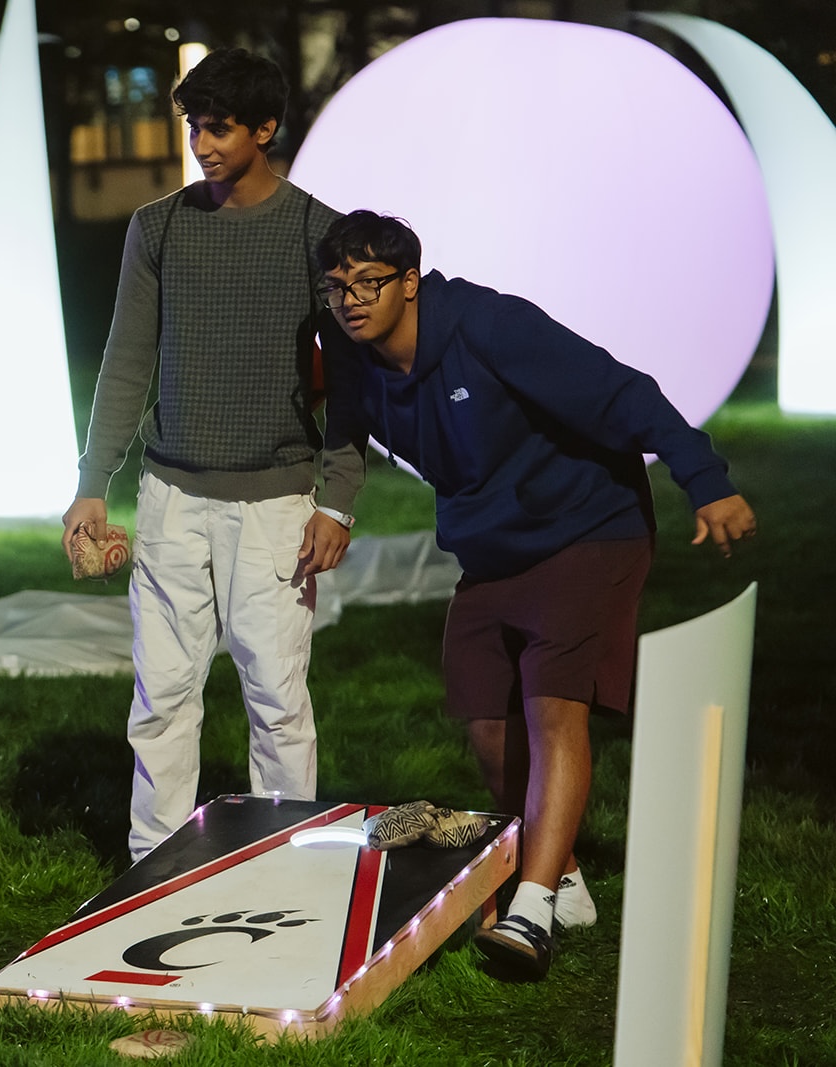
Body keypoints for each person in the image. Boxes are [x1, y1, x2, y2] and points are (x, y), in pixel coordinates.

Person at [313, 210, 757, 981]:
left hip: (589, 524)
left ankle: (534, 906)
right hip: (493, 547)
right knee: (487, 720)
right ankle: (569, 878)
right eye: (338, 285)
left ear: (410, 282)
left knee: (553, 704)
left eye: (369, 282)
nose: (351, 299)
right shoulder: (352, 358)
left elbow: (624, 392)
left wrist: (706, 481)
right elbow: (346, 428)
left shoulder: (488, 325)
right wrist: (334, 507)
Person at [60, 48, 364, 865]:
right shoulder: (157, 226)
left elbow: (354, 377)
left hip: (275, 504)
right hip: (169, 496)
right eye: (193, 124)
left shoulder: (314, 231)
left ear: (266, 128)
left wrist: (337, 500)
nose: (201, 142)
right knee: (160, 692)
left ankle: (283, 864)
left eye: (219, 127)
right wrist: (95, 483)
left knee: (274, 693)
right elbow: (127, 359)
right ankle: (152, 866)